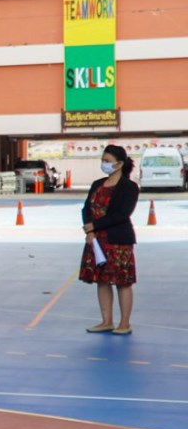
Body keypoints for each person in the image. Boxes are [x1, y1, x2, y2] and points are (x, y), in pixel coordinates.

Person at [80, 143, 140, 335]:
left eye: (107, 161)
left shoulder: (129, 188)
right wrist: (89, 231)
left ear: (119, 164)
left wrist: (95, 226)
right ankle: (106, 321)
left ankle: (124, 323)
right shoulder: (97, 184)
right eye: (102, 161)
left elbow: (122, 214)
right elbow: (86, 209)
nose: (104, 164)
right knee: (102, 280)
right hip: (96, 241)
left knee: (123, 281)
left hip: (118, 240)